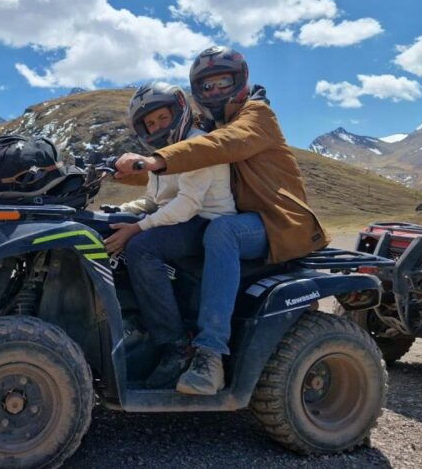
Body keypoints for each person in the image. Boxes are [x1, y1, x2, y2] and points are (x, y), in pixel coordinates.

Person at [114, 46, 330, 395]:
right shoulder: (210, 126)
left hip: (275, 223)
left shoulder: (256, 117)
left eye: (222, 82)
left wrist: (155, 160)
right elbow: (179, 175)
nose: (214, 91)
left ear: (240, 80)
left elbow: (221, 146)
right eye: (207, 86)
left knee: (222, 231)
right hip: (244, 219)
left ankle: (209, 355)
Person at [104, 82, 237, 389]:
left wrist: (136, 228)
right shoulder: (160, 157)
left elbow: (187, 205)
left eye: (162, 118)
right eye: (150, 123)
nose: (157, 126)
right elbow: (154, 202)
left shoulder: (197, 144)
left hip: (206, 222)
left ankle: (177, 344)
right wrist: (119, 213)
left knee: (141, 248)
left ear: (179, 111)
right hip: (181, 221)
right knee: (117, 229)